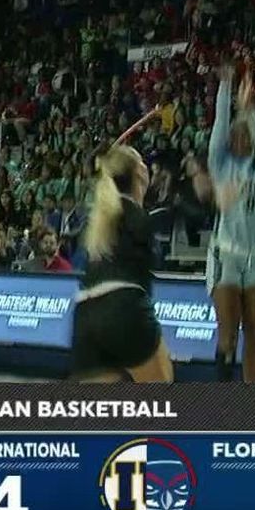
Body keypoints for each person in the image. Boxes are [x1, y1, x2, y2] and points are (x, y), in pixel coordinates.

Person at [71, 113, 173, 383]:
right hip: (124, 309)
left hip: (85, 314)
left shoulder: (96, 221)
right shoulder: (138, 217)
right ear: (141, 172)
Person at [205, 64, 255, 382]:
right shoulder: (220, 166)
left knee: (254, 337)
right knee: (228, 337)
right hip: (227, 256)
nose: (239, 135)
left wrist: (248, 113)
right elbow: (220, 125)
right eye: (235, 132)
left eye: (244, 131)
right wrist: (226, 88)